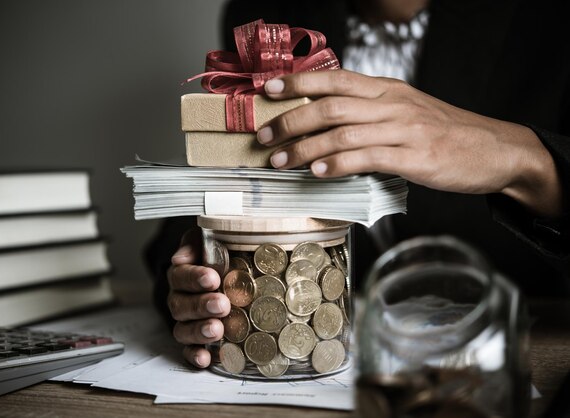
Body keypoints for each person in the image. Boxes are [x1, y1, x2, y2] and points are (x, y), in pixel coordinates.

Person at [146, 0, 570, 368]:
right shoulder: (263, 16)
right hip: (310, 352)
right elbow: (227, 179)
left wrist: (524, 157)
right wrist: (194, 276)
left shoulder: (547, 18)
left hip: (522, 345)